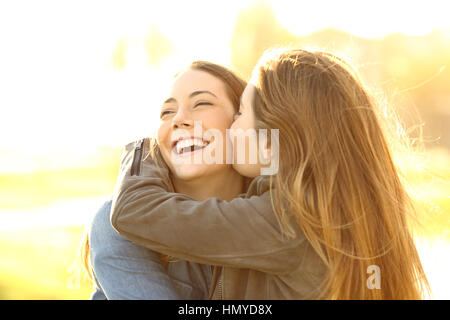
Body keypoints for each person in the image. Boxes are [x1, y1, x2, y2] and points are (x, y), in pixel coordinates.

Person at [96, 48, 431, 299]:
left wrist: (145, 149)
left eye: (241, 112)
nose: (178, 120)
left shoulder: (290, 218)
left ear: (274, 138)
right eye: (166, 112)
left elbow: (134, 210)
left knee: (106, 227)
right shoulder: (312, 210)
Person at [81, 60, 249, 299]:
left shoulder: (279, 218)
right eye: (167, 112)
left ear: (245, 121)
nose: (178, 119)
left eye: (201, 103)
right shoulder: (118, 224)